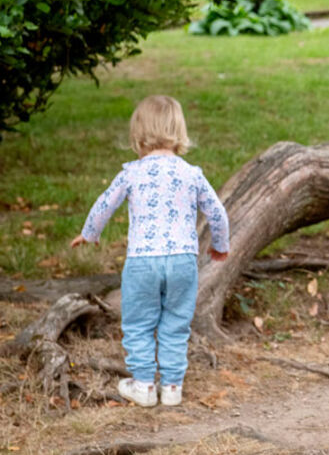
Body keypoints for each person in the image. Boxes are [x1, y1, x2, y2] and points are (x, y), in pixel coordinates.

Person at [70, 95, 230, 408]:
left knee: (139, 322)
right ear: (179, 132)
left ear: (138, 134)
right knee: (175, 321)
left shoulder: (131, 173)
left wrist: (90, 233)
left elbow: (104, 204)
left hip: (143, 261)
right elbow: (218, 214)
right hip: (183, 261)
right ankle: (172, 387)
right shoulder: (191, 174)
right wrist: (220, 245)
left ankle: (143, 384)